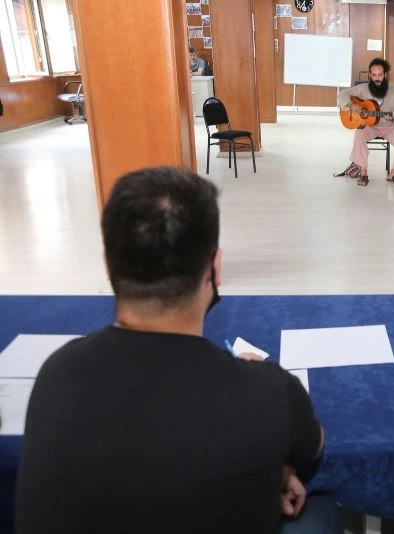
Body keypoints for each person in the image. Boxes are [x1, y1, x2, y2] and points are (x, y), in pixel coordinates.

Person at [15, 167, 342, 534]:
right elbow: (314, 446)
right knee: (320, 514)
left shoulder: (57, 372)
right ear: (215, 267)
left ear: (108, 264)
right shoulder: (268, 391)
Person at [337, 58, 394, 187]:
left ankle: (393, 173)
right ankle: (363, 173)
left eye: (380, 75)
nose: (377, 78)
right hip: (369, 126)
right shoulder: (362, 88)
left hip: (389, 127)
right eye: (374, 75)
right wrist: (351, 105)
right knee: (359, 134)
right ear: (369, 75)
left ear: (385, 75)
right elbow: (342, 94)